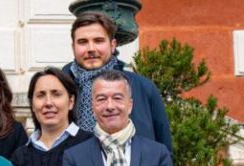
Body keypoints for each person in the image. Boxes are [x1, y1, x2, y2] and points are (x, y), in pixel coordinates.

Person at [62, 12, 171, 151]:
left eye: (98, 41)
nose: (91, 49)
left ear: (113, 45)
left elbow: (164, 149)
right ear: (73, 47)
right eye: (83, 42)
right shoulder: (59, 90)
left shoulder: (143, 88)